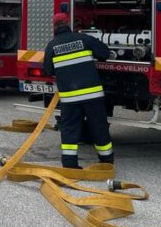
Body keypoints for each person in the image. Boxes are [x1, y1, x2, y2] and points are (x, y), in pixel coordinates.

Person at [43, 12, 113, 169]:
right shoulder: (83, 39)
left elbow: (48, 70)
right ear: (69, 23)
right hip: (92, 96)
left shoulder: (52, 45)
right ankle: (106, 162)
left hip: (69, 98)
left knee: (69, 129)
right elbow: (105, 53)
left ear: (54, 27)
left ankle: (69, 164)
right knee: (98, 127)